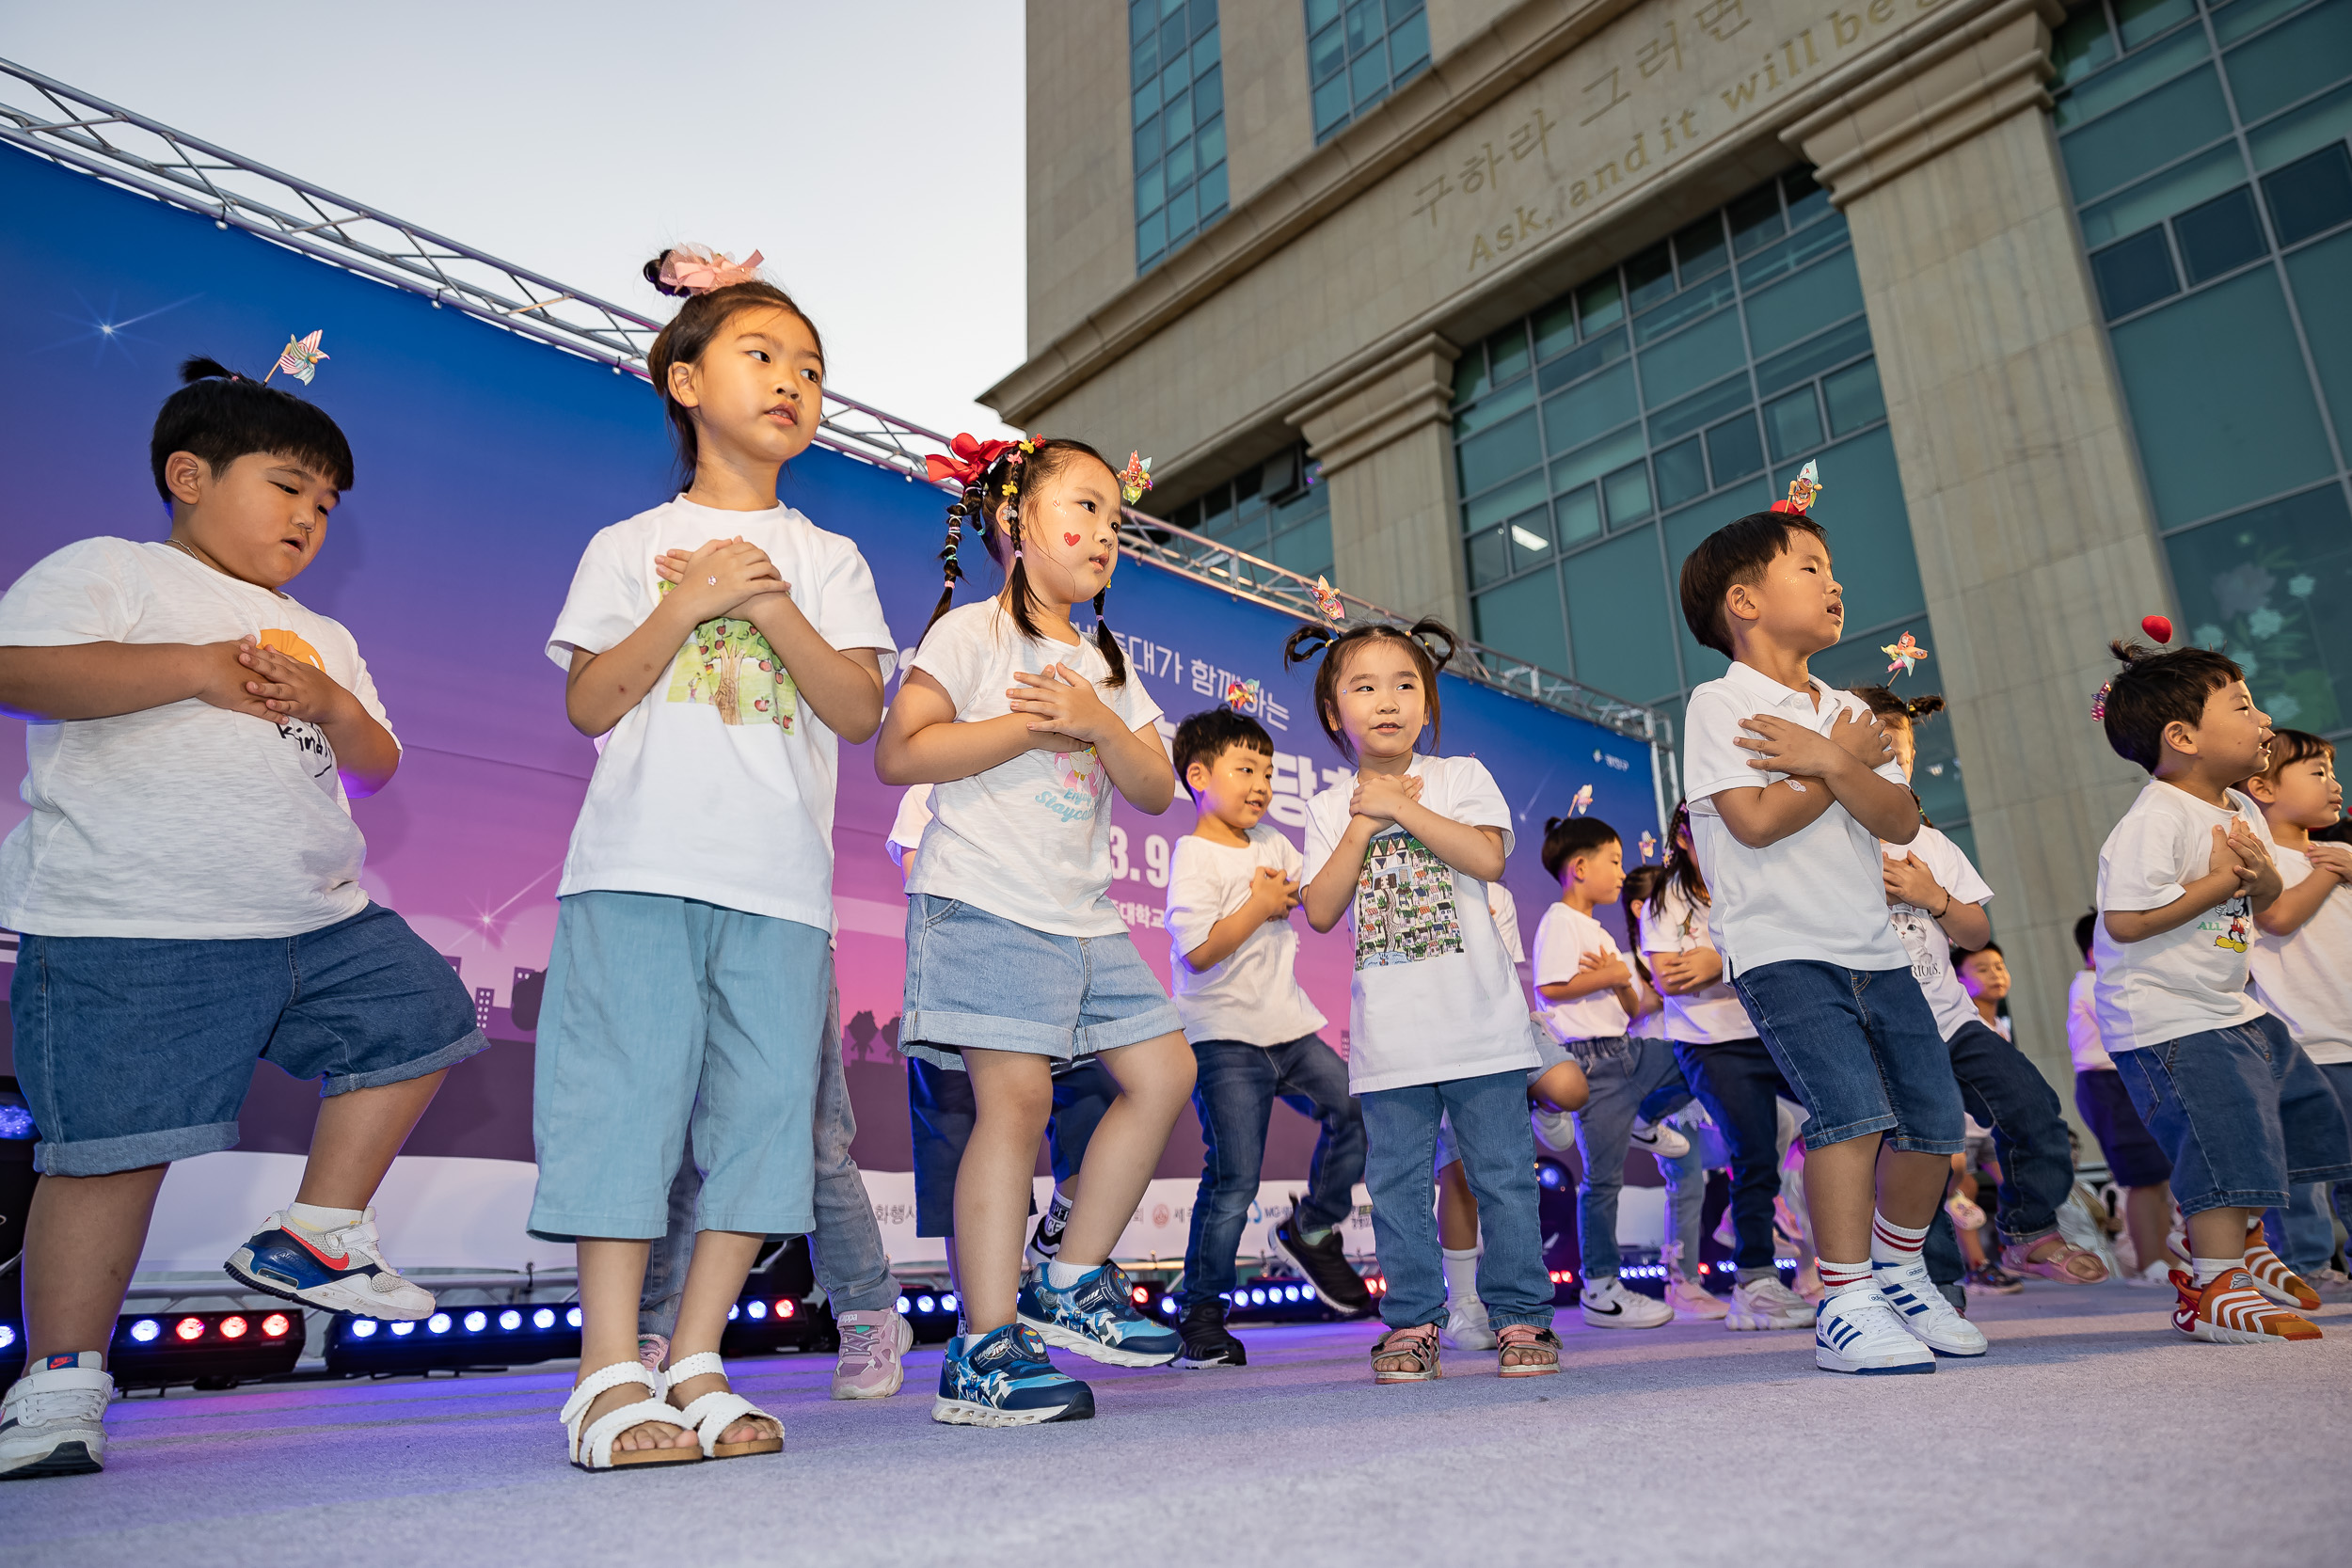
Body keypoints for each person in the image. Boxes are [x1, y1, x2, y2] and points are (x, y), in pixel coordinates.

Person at [0, 360, 481, 1480]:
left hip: (311, 917)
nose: (308, 519)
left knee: (422, 1013)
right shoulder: (113, 572)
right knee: (110, 1157)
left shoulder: (321, 633)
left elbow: (378, 759)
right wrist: (194, 670)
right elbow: (15, 668)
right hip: (132, 920)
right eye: (286, 487)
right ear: (188, 476)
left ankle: (317, 1228)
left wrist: (331, 702)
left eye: (326, 506)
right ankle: (61, 1384)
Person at [531, 251, 896, 1469]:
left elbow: (855, 708)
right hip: (635, 867)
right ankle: (604, 1371)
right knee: (624, 1108)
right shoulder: (630, 542)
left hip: (779, 889)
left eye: (811, 367)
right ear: (683, 380)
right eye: (761, 355)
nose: (793, 380)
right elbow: (592, 699)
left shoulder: (829, 554)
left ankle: (696, 1354)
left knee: (759, 1124)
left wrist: (771, 601)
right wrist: (688, 605)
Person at [878, 435, 1193, 1426]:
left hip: (1084, 918)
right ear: (1014, 520)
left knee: (1165, 1069)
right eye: (1085, 509)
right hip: (984, 898)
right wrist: (1028, 724)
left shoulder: (1104, 661)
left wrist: (1096, 719)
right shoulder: (970, 635)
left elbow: (1152, 788)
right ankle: (983, 1344)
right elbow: (901, 750)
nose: (1104, 533)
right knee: (1010, 1103)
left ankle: (1070, 1276)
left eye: (1115, 518)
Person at [1677, 502, 1976, 1375]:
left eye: (1830, 567)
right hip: (1783, 949)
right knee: (1848, 1114)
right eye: (1808, 566)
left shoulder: (1845, 710)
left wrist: (1836, 758)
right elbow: (1757, 819)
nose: (1833, 580)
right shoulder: (1720, 701)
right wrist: (1832, 762)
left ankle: (1901, 1271)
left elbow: (1900, 815)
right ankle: (1844, 1298)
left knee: (1932, 1117)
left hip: (1875, 948)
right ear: (1744, 600)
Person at [1292, 616, 1560, 1382]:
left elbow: (1488, 857)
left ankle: (1519, 1317)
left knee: (1504, 1177)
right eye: (1365, 686)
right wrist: (1362, 819)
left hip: (1484, 1028)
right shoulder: (1324, 805)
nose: (1388, 700)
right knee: (1396, 1187)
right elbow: (1318, 908)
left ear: (1429, 700)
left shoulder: (1460, 777)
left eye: (1406, 683)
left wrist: (1403, 809)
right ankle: (1411, 1322)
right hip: (1392, 1040)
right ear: (1334, 709)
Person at [2089, 638, 2352, 1342]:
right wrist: (2218, 882)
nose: (2263, 717)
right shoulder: (2158, 816)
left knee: (2294, 1112)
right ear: (2182, 738)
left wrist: (2258, 876)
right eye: (2242, 704)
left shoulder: (2238, 803)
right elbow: (2126, 919)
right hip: (2167, 1016)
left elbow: (2265, 900)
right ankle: (2216, 1284)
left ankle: (2251, 1241)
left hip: (2230, 1005)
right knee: (2222, 1136)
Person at [1852, 687, 2107, 1305]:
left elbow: (1975, 931)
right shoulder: (1833, 837)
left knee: (2035, 1107)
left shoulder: (1930, 842)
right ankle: (1938, 1284)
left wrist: (1931, 893)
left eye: (1906, 752)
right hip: (1879, 1028)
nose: (1897, 761)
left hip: (1952, 1019)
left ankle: (2027, 1229)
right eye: (1883, 747)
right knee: (1925, 1149)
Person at [1164, 705, 1371, 1369]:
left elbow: (1314, 907)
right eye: (1245, 768)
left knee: (1355, 1107)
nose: (1261, 783)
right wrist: (1255, 904)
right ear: (1199, 776)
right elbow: (1197, 951)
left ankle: (1312, 1226)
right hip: (1222, 1037)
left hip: (1291, 1025)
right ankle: (1202, 1314)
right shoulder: (1194, 854)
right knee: (1234, 1178)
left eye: (1268, 771)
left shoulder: (1276, 845)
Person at [886, 784, 1119, 1331]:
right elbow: (927, 890)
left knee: (1105, 1109)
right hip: (959, 995)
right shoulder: (931, 787)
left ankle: (1056, 1239)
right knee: (957, 1156)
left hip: (1050, 992)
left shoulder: (1043, 777)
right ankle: (983, 1323)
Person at [634, 974, 913, 1401]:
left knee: (814, 1139)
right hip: (690, 936)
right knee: (682, 1144)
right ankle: (657, 1330)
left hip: (789, 934)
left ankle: (868, 1309)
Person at [1641, 802, 1817, 1334]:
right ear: (1685, 838)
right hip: (1712, 1042)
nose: (1715, 841)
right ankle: (1755, 1284)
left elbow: (1794, 951)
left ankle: (1844, 1261)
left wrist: (1717, 962)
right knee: (1754, 1151)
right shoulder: (1670, 898)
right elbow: (1671, 979)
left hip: (1776, 1030)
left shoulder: (1757, 879)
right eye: (1702, 832)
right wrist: (1744, 956)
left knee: (1849, 1118)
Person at [1534, 816, 1683, 1331]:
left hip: (1627, 1048)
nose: (1621, 874)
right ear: (1579, 867)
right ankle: (1600, 1287)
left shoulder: (1596, 929)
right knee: (1603, 1181)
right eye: (1613, 861)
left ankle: (1646, 1118)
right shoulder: (1559, 920)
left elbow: (1634, 1006)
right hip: (1590, 1063)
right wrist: (1611, 973)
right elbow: (1551, 988)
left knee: (1697, 1056)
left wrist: (1621, 980)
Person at [2244, 729, 2352, 1299]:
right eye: (2317, 772)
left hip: (2348, 1033)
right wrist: (2330, 872)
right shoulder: (2263, 857)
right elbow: (2279, 918)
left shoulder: (2338, 857)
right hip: (2305, 1039)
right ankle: (2305, 1263)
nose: (2334, 785)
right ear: (2262, 786)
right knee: (2304, 1167)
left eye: (2333, 772)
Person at [1624, 864, 1729, 1321]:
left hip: (1702, 1072)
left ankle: (1759, 1224)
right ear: (1640, 908)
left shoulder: (1686, 949)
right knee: (1685, 1182)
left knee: (1776, 1131)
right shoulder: (1628, 962)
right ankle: (1682, 1282)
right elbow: (1632, 1013)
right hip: (1662, 1086)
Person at [2065, 909, 2177, 1285]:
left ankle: (2162, 1257)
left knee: (2158, 1175)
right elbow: (2128, 1026)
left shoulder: (2115, 982)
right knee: (2143, 1176)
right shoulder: (2088, 984)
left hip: (2131, 1080)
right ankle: (2149, 1264)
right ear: (2093, 950)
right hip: (2108, 1085)